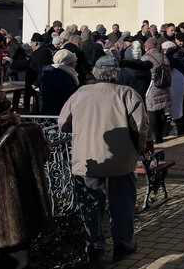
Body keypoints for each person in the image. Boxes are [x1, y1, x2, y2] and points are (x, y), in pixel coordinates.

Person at [58, 55, 149, 266]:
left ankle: (94, 247)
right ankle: (123, 245)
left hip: (87, 159)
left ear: (95, 73)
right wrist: (138, 149)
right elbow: (140, 127)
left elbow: (63, 124)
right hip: (121, 159)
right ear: (117, 73)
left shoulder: (81, 93)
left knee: (90, 205)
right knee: (122, 204)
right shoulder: (127, 93)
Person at [0, 90, 51, 269]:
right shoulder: (26, 134)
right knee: (21, 262)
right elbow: (44, 155)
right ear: (7, 108)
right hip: (20, 217)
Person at [141, 37, 171, 143]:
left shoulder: (145, 58)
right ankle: (160, 135)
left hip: (152, 87)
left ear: (148, 47)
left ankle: (153, 136)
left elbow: (142, 73)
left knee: (152, 111)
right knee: (162, 110)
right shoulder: (163, 57)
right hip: (164, 86)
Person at [39, 48, 80, 115]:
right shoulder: (61, 76)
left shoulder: (51, 73)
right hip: (58, 113)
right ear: (69, 63)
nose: (76, 64)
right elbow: (67, 96)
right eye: (74, 62)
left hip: (50, 111)